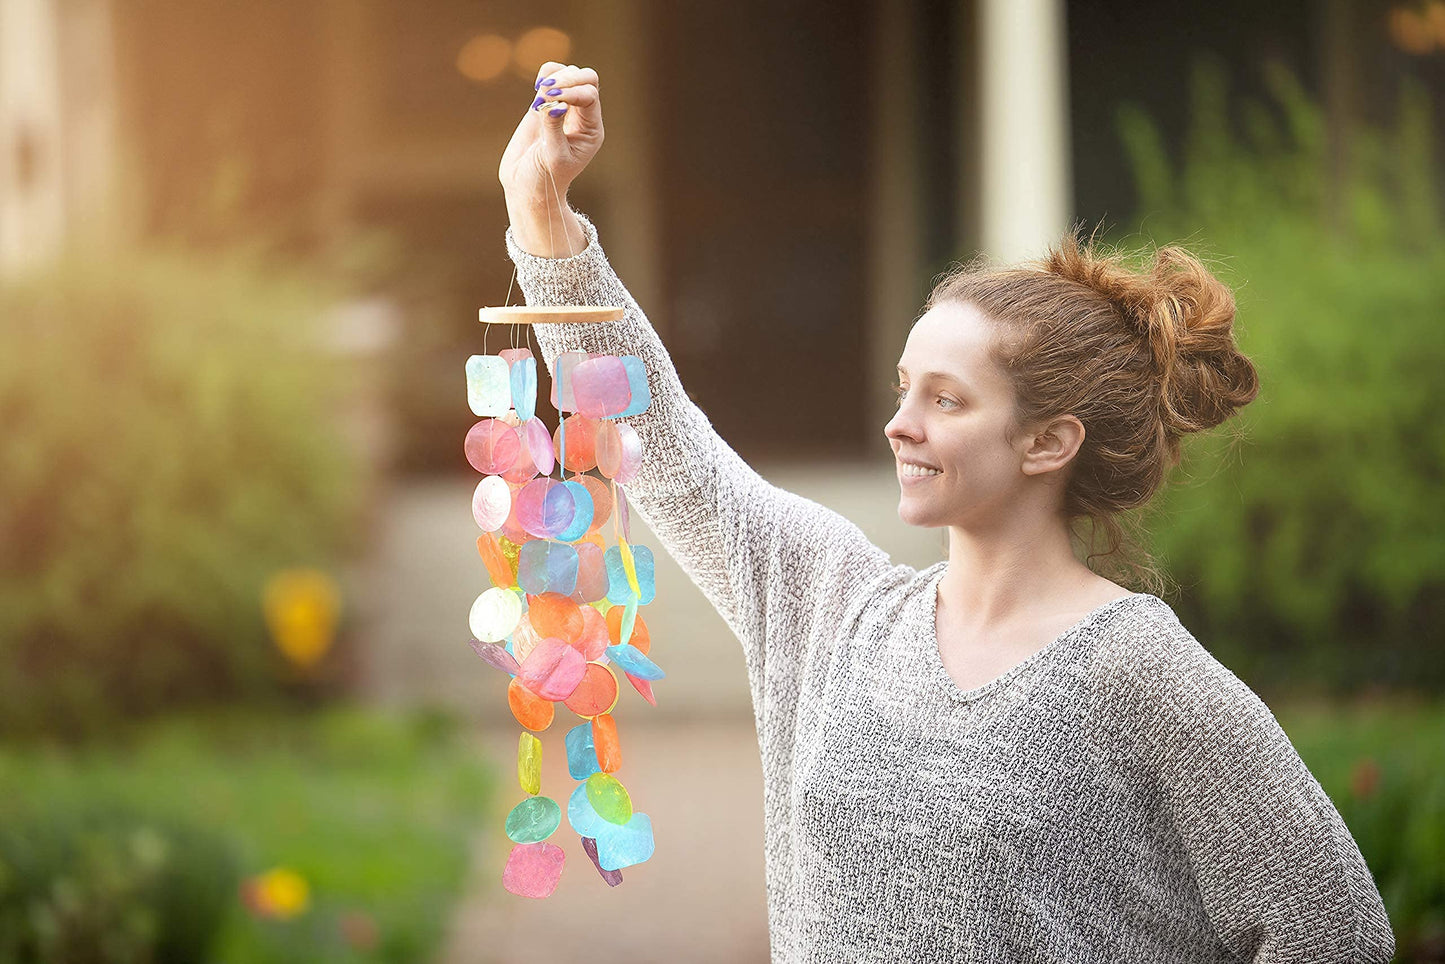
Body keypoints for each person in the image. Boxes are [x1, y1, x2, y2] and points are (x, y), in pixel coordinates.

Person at [498, 61, 1395, 964]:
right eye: (901, 389)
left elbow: (1334, 931)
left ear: (1048, 442)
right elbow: (662, 438)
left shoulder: (1140, 674)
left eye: (946, 400)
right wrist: (543, 214)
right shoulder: (831, 606)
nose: (899, 424)